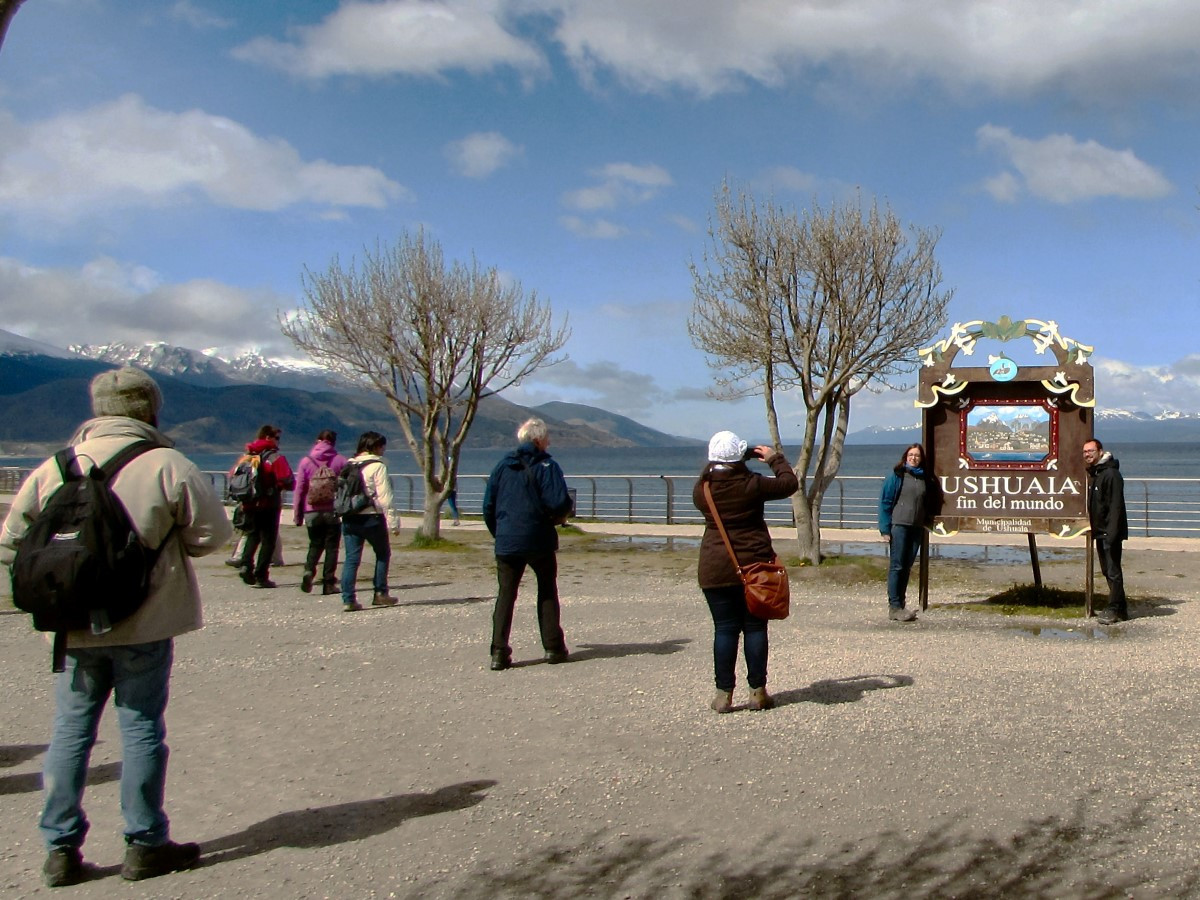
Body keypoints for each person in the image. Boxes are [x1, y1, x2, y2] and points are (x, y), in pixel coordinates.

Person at [0, 366, 233, 887]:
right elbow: (213, 534)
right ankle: (145, 842)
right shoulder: (166, 463)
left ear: (98, 408)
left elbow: (12, 542)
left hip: (71, 625)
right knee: (142, 729)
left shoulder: (56, 465)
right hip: (145, 621)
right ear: (150, 408)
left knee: (70, 732)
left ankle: (59, 848)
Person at [692, 431, 798, 713]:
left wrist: (732, 459)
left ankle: (723, 694)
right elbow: (789, 483)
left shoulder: (702, 489)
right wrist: (774, 459)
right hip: (754, 565)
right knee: (754, 628)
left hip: (715, 567)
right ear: (739, 458)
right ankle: (757, 692)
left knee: (724, 630)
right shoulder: (752, 484)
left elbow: (711, 472)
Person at [482, 417, 573, 671]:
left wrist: (499, 533)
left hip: (507, 540)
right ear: (538, 440)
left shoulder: (502, 467)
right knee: (546, 590)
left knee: (506, 594)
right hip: (538, 537)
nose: (549, 441)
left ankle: (499, 652)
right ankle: (553, 647)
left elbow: (488, 505)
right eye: (547, 438)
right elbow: (558, 502)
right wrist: (561, 515)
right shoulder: (547, 465)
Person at [878, 443, 939, 623]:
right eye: (911, 455)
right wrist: (885, 528)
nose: (914, 458)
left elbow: (929, 501)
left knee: (907, 566)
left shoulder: (925, 479)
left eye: (917, 456)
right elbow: (885, 502)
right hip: (899, 526)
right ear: (905, 456)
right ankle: (894, 606)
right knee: (897, 566)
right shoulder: (896, 476)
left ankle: (901, 605)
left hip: (916, 527)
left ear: (921, 459)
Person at [340, 431, 400, 612]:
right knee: (382, 554)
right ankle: (380, 593)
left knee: (351, 558)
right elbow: (385, 497)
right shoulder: (377, 466)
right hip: (371, 517)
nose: (383, 449)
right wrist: (393, 521)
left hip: (350, 517)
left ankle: (348, 598)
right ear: (375, 447)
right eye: (382, 446)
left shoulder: (349, 465)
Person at [233, 425, 293, 589]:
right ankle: (261, 575)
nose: (278, 442)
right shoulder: (274, 457)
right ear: (268, 437)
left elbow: (232, 475)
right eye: (277, 438)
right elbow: (286, 479)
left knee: (252, 535)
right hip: (269, 503)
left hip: (249, 503)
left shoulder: (247, 456)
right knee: (268, 540)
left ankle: (246, 564)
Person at [293, 429, 348, 595]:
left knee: (315, 544)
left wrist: (298, 514)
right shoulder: (340, 460)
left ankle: (309, 571)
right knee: (332, 547)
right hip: (332, 510)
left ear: (318, 441)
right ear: (333, 442)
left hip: (311, 511)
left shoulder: (306, 461)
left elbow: (300, 489)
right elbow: (346, 486)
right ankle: (328, 582)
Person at [1084, 438, 1129, 624]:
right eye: (1085, 452)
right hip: (1101, 531)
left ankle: (1113, 609)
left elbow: (1115, 506)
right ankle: (1121, 609)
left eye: (1091, 451)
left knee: (1113, 571)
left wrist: (1112, 533)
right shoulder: (1097, 474)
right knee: (1107, 571)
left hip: (1110, 533)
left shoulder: (1110, 474)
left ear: (1100, 451)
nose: (1087, 454)